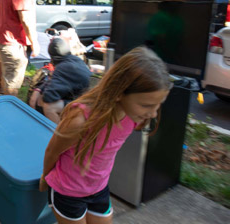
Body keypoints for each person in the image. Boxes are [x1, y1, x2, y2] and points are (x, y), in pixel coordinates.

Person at [39, 46, 172, 224]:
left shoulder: (134, 117)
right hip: (67, 192)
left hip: (98, 189)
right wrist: (44, 177)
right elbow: (52, 151)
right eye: (147, 105)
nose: (154, 114)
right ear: (119, 93)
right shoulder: (80, 120)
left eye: (157, 105)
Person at [29, 38, 91, 124]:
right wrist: (39, 89)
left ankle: (58, 134)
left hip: (85, 103)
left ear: (52, 57)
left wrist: (39, 94)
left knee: (48, 106)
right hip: (85, 98)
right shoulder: (75, 60)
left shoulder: (62, 67)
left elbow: (49, 97)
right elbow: (54, 82)